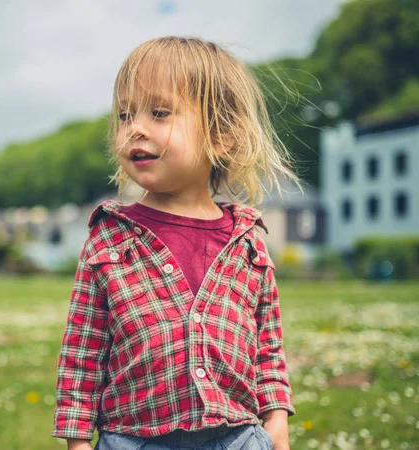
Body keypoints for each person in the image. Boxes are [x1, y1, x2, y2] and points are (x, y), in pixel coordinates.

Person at [52, 36, 298, 450]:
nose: (136, 128)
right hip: (133, 438)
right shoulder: (109, 237)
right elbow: (82, 354)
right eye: (126, 114)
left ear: (222, 135)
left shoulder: (248, 241)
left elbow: (267, 349)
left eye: (159, 113)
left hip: (237, 437)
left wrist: (276, 424)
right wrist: (78, 442)